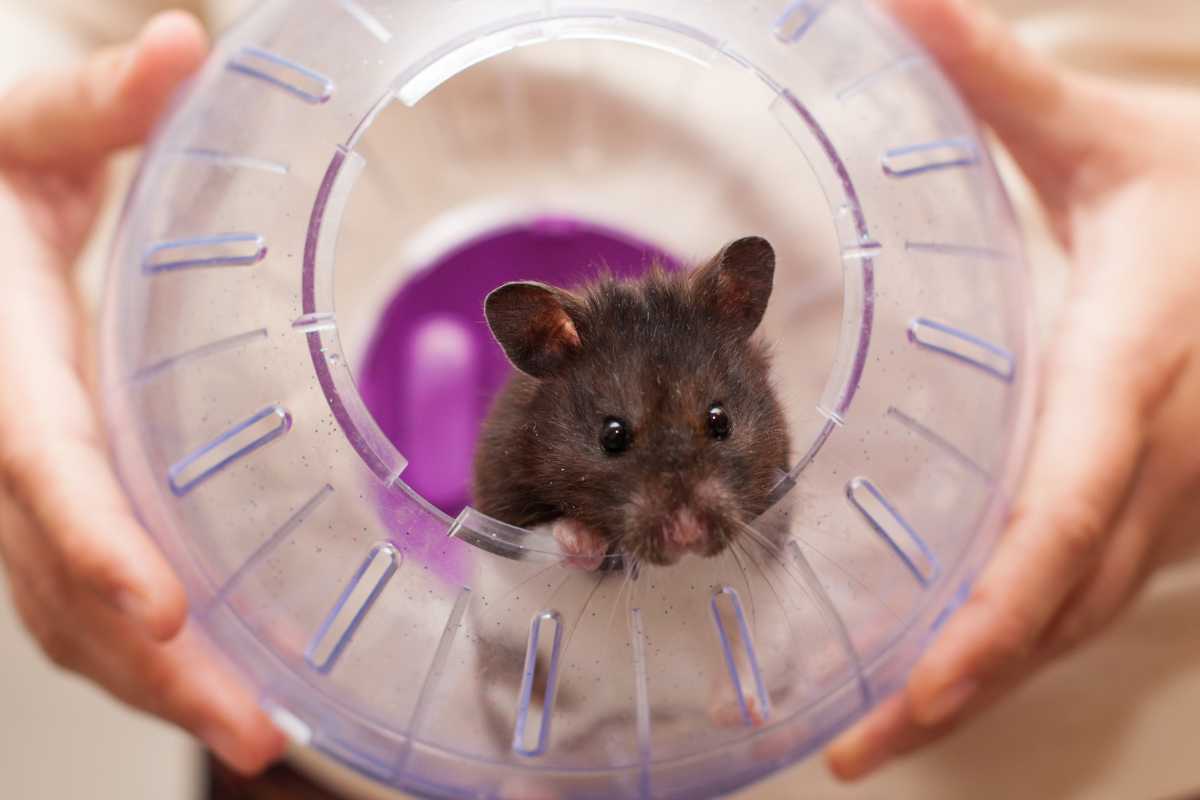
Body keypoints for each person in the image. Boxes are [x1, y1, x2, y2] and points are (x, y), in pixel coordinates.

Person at [0, 0, 1196, 796]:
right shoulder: (531, 431)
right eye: (620, 440)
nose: (686, 505)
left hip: (1002, 730)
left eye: (717, 432)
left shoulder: (748, 420)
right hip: (347, 696)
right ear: (536, 352)